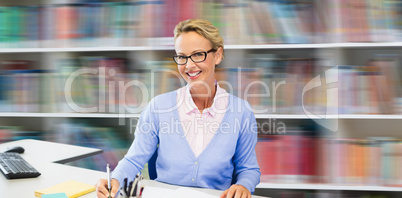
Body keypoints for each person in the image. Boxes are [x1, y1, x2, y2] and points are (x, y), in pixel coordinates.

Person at [96, 18, 260, 198]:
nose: (189, 66)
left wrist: (243, 185)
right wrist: (115, 180)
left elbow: (249, 169)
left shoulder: (241, 112)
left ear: (218, 55)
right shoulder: (158, 107)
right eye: (182, 57)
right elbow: (134, 160)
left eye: (198, 54)